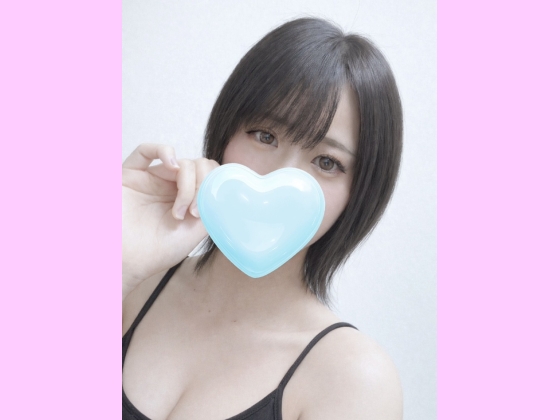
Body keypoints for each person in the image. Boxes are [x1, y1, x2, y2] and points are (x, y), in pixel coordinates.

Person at [122, 17, 403, 420]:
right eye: (265, 136)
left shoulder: (353, 381)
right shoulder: (132, 288)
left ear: (360, 193)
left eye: (327, 162)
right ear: (226, 131)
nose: (281, 178)